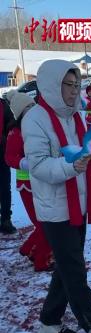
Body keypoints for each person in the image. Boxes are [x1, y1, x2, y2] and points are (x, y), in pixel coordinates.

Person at [21, 59, 91, 333]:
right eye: (68, 85)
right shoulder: (36, 118)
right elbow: (37, 166)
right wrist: (71, 166)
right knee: (74, 269)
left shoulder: (75, 116)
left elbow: (82, 151)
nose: (74, 91)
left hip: (77, 205)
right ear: (51, 85)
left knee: (67, 267)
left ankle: (49, 322)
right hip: (55, 209)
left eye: (77, 85)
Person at [4, 91, 53, 271]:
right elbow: (9, 157)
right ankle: (41, 261)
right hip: (28, 186)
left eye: (34, 106)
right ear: (21, 112)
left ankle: (29, 249)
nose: (33, 110)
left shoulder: (37, 127)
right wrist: (25, 163)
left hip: (43, 182)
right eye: (29, 107)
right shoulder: (16, 132)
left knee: (46, 223)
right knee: (45, 225)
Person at [0, 96, 16, 234]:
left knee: (5, 188)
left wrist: (5, 138)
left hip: (1, 152)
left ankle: (5, 220)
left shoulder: (3, 105)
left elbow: (11, 123)